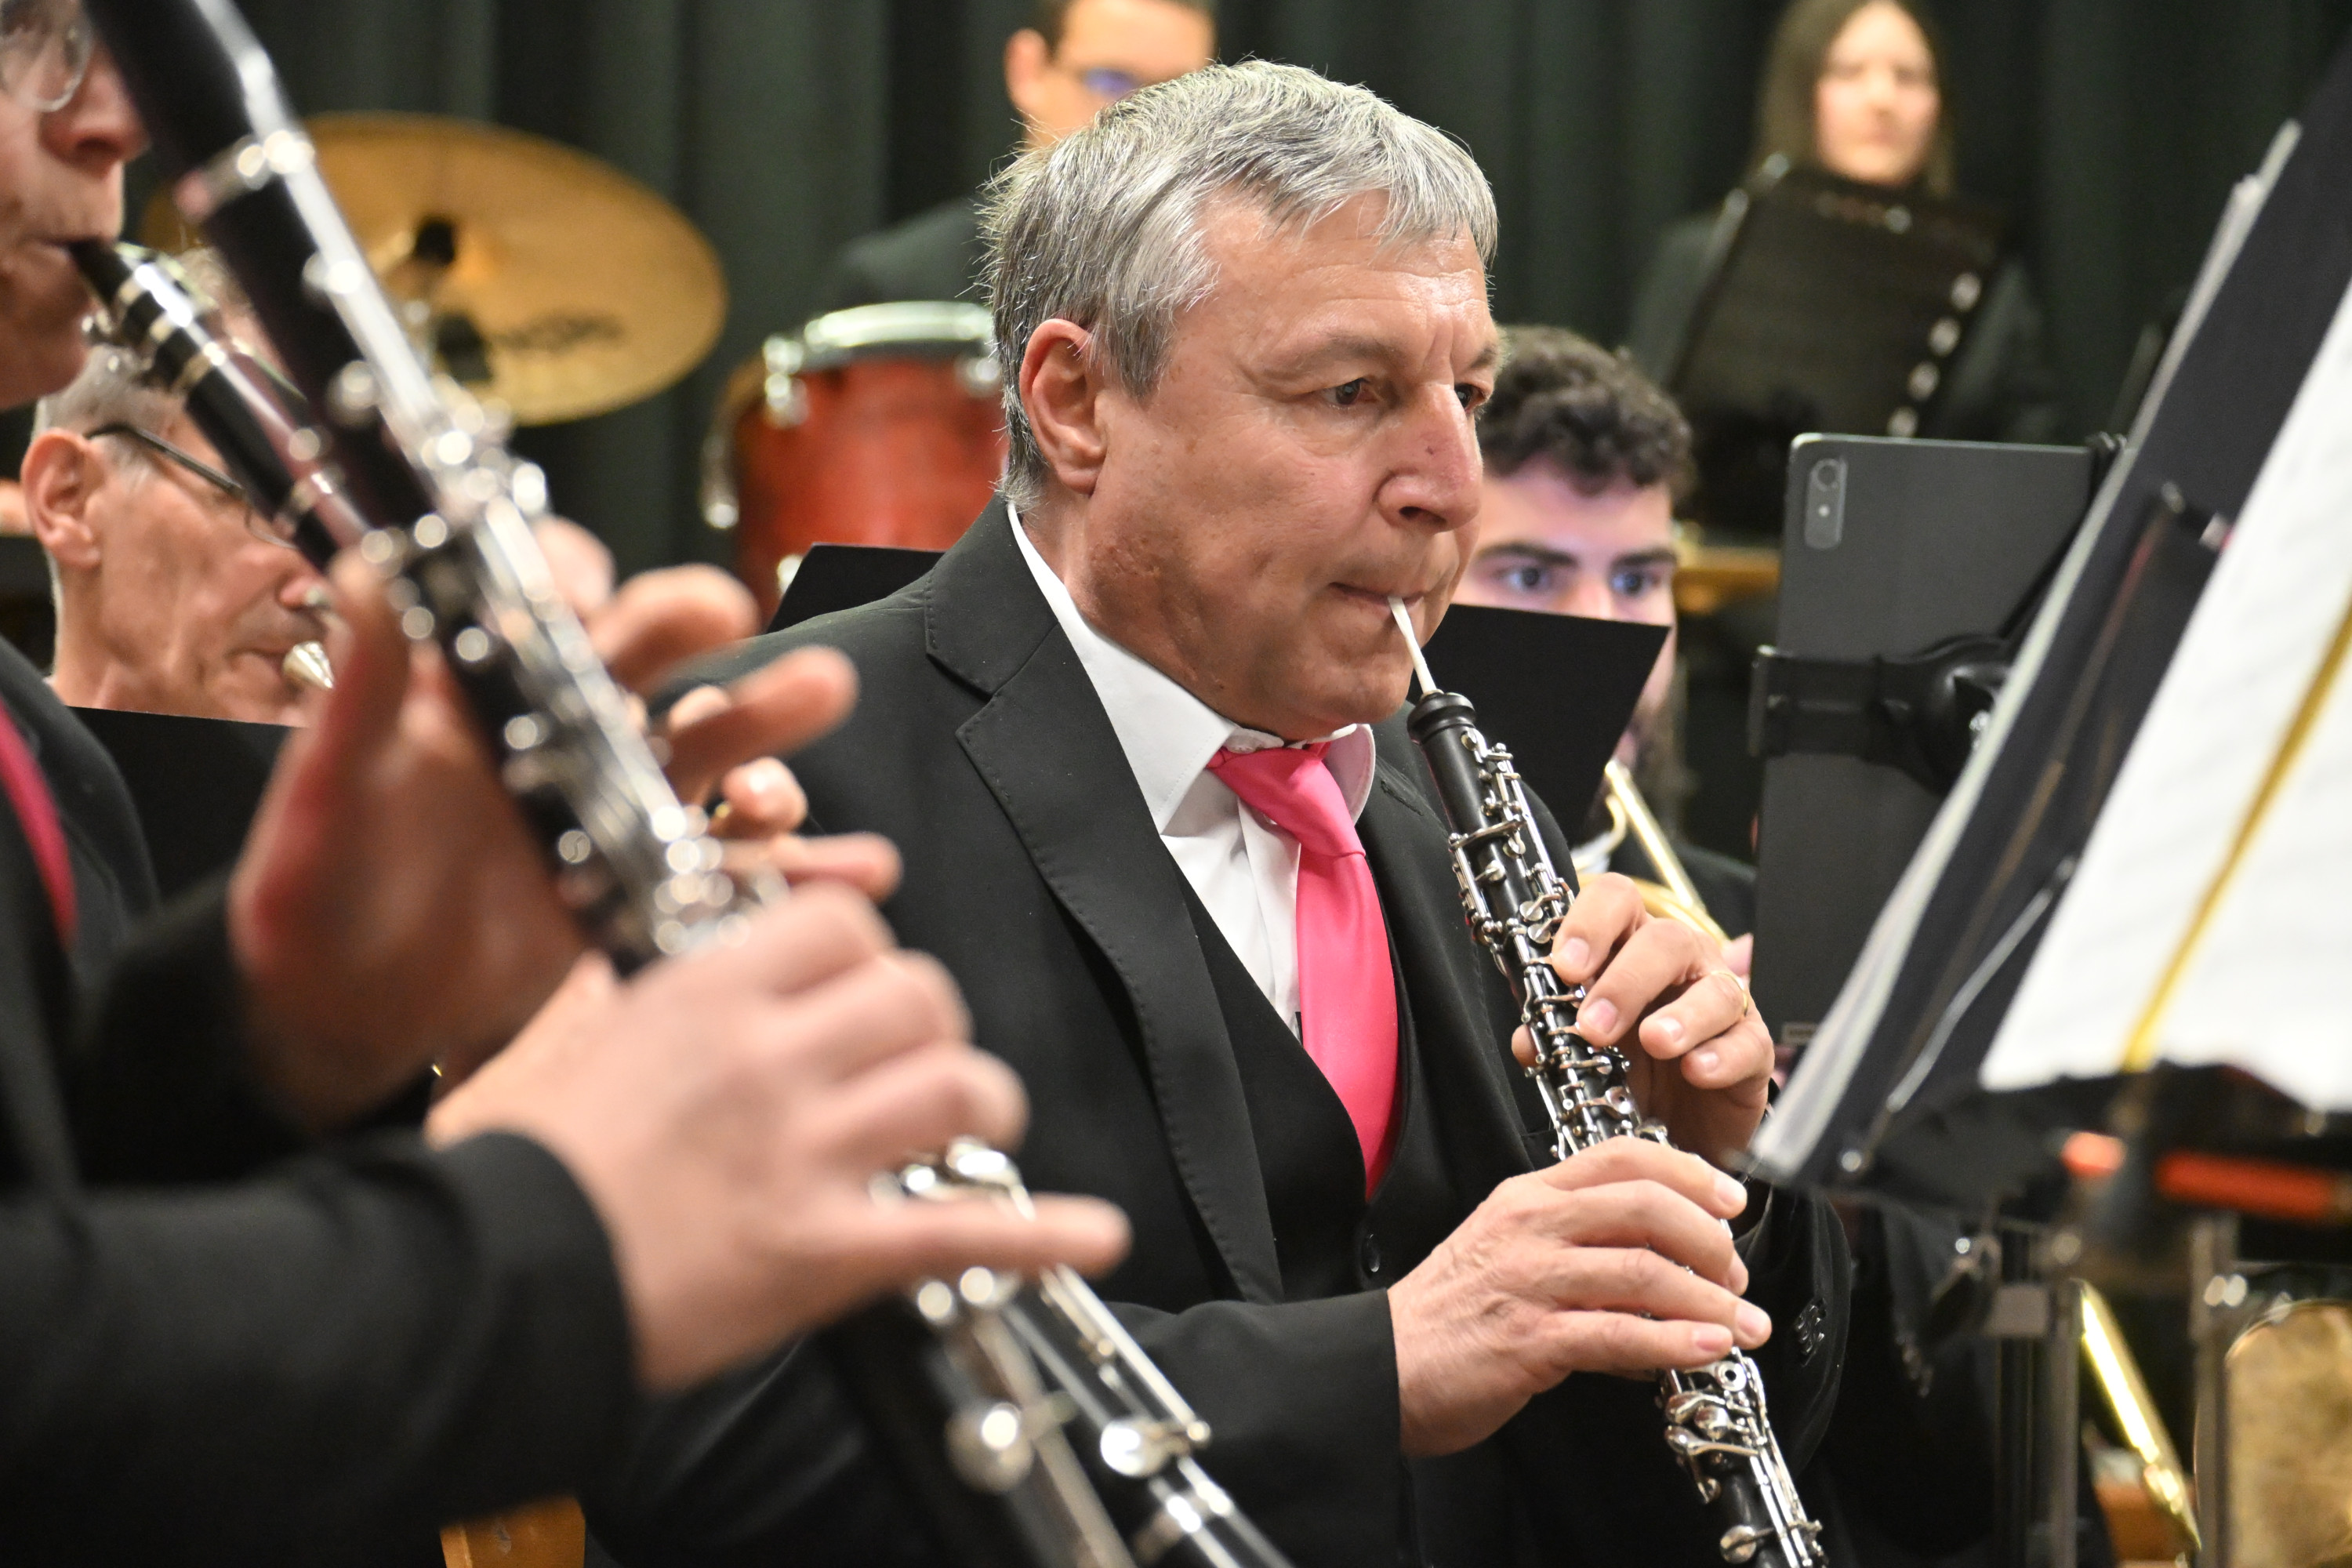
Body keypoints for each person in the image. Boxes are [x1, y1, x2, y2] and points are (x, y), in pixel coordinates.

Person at [596, 61, 1849, 1568]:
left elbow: (1622, 1496)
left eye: (1466, 395)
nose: (1452, 487)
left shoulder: (1461, 802)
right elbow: (717, 1446)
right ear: (1075, 405)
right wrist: (1374, 1367)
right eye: (1351, 394)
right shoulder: (771, 772)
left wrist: (1707, 1190)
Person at [0, 16, 1126, 1564]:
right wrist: (566, 1234)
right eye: (26, 38)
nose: (114, 120)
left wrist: (282, 1032)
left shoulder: (36, 744)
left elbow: (64, 1229)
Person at [1625, 0, 2065, 449]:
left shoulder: (1987, 285)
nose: (1882, 100)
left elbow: (2032, 452)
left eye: (1909, 77)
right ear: (1802, 94)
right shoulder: (1706, 254)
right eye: (1850, 72)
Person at [1454, 325, 1759, 945]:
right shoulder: (1340, 915)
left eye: (1635, 581)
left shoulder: (1759, 929)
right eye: (1531, 577)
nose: (1601, 628)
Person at [815, 0, 1216, 312]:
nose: (1143, 116)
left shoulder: (1215, 285)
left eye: (1177, 91)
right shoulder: (896, 289)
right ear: (1029, 70)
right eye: (1110, 81)